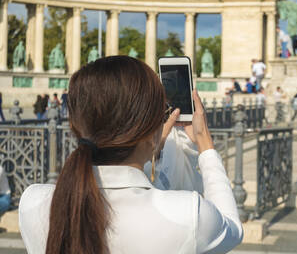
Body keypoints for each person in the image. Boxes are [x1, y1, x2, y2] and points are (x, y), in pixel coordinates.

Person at [19, 56, 243, 254]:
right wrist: (205, 144)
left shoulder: (33, 203)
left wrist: (149, 144)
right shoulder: (190, 215)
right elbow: (232, 226)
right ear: (148, 132)